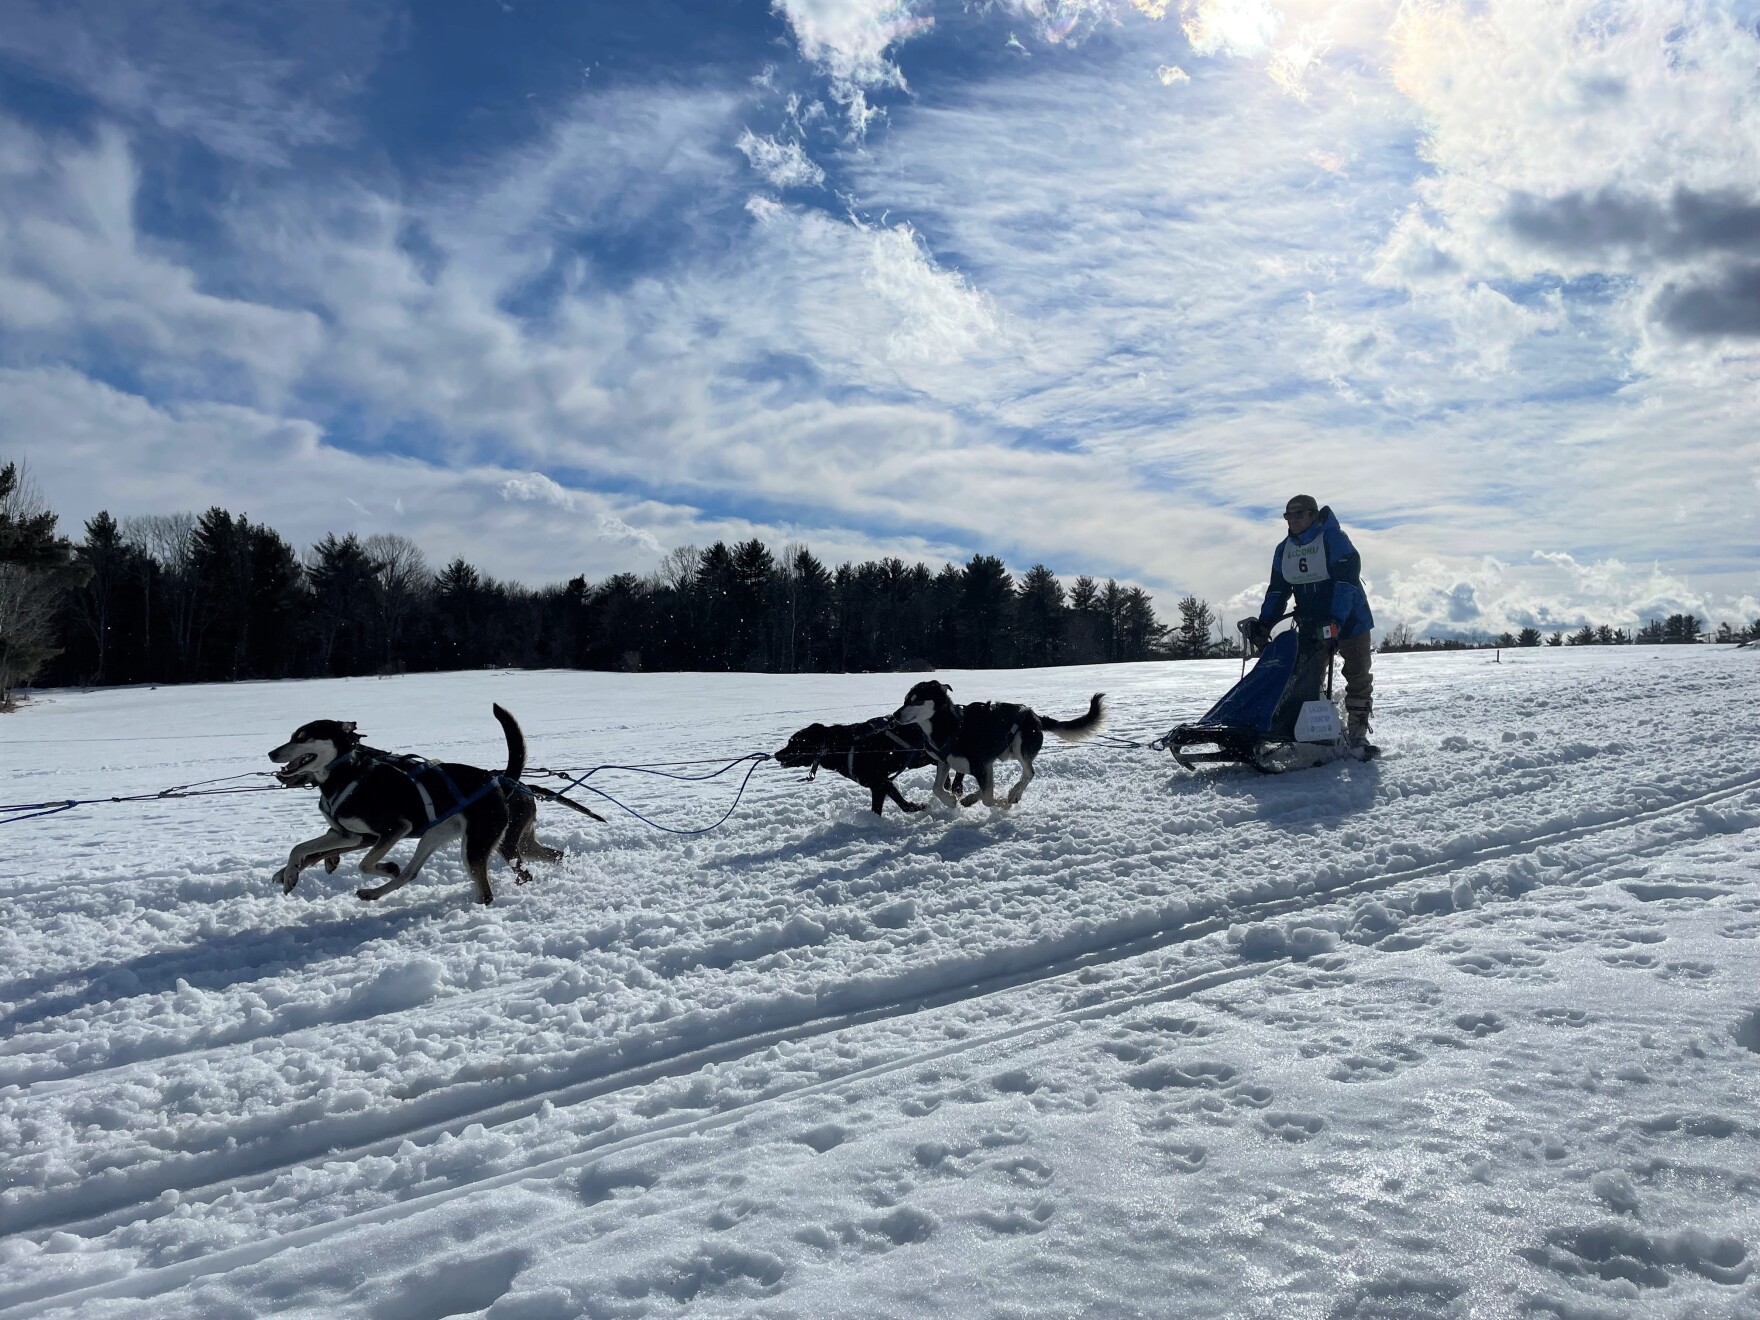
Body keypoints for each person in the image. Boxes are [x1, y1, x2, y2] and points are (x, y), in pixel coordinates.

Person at [1240, 494, 1375, 747]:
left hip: (1351, 620)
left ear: (1313, 515)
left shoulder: (1334, 540)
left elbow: (1346, 583)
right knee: (1306, 674)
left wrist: (1336, 620)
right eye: (1288, 515)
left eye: (1298, 514)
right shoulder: (1284, 550)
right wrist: (1265, 623)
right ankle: (1311, 729)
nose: (1292, 520)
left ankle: (1357, 733)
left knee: (1357, 674)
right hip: (1312, 624)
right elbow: (1278, 590)